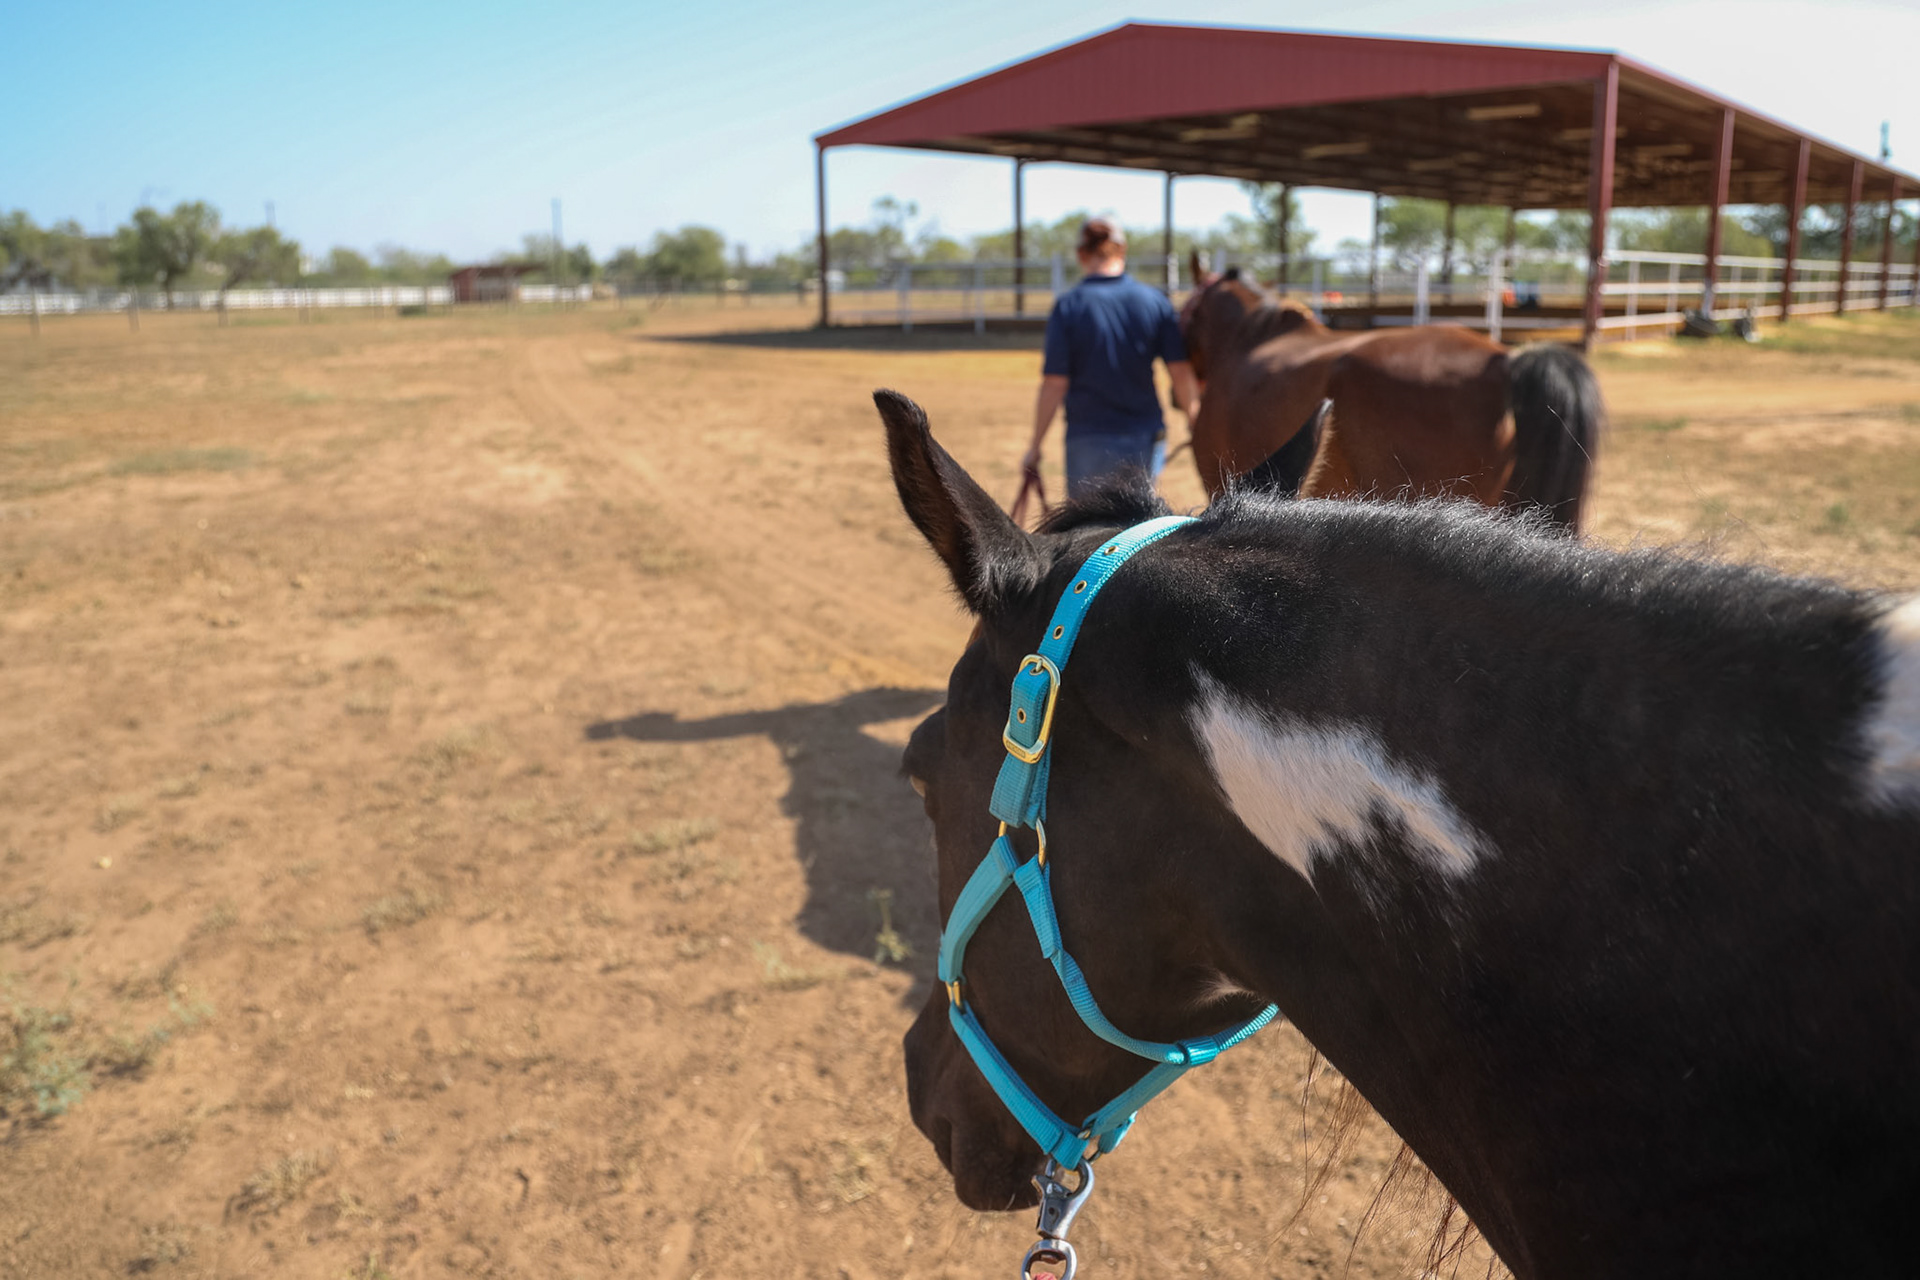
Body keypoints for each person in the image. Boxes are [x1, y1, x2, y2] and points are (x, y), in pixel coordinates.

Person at [1019, 218, 1199, 506]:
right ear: (1122, 250)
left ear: (1081, 254)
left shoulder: (1069, 307)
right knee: (1137, 525)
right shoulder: (1154, 302)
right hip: (1145, 435)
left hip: (1088, 436)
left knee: (1089, 531)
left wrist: (1035, 447)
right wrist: (1194, 420)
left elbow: (1054, 383)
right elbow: (1179, 371)